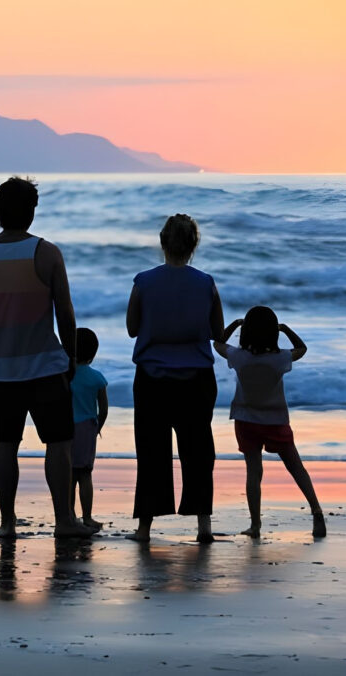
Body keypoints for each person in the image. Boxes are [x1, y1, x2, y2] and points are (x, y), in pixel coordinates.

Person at [0, 176, 94, 539]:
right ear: (32, 212)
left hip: (1, 368)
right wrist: (72, 357)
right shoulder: (46, 253)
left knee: (5, 443)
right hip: (46, 365)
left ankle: (7, 522)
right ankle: (64, 519)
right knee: (59, 443)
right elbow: (66, 314)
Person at [126, 214, 224, 543]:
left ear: (162, 242)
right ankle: (204, 526)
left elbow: (131, 328)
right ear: (194, 244)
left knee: (152, 451)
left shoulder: (143, 282)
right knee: (198, 451)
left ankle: (144, 528)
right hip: (197, 378)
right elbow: (216, 331)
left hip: (152, 378)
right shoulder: (206, 283)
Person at [214, 306, 326, 538]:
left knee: (254, 472)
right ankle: (316, 511)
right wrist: (285, 329)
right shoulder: (280, 358)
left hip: (246, 419)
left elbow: (218, 343)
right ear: (273, 333)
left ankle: (255, 525)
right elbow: (302, 348)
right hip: (275, 419)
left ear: (247, 332)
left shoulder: (240, 357)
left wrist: (235, 324)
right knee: (296, 467)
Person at [69, 327, 109, 531]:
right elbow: (104, 409)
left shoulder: (65, 376)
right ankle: (87, 517)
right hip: (87, 428)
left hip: (66, 429)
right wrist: (97, 427)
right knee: (85, 475)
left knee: (68, 475)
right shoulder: (97, 378)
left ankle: (69, 516)